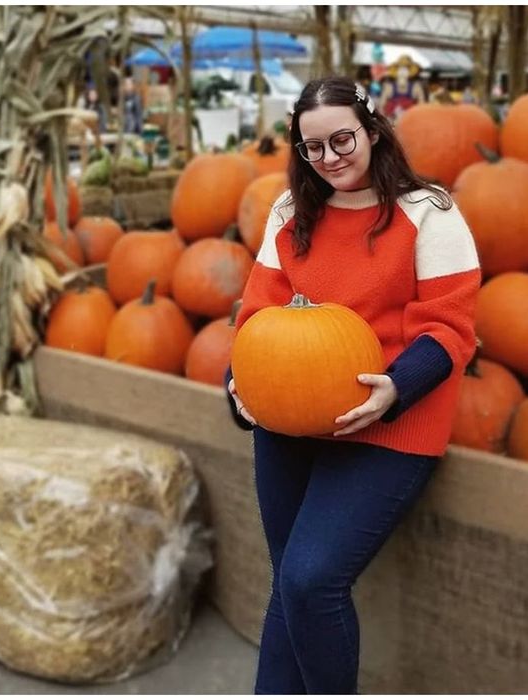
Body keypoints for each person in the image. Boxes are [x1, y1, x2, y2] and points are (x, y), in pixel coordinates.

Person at [225, 76, 479, 693]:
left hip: (388, 421)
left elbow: (451, 329)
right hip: (289, 421)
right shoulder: (290, 214)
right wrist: (239, 387)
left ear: (371, 130)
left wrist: (395, 387)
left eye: (342, 139)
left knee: (311, 580)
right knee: (289, 580)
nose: (330, 157)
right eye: (313, 148)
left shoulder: (428, 212)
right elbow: (256, 315)